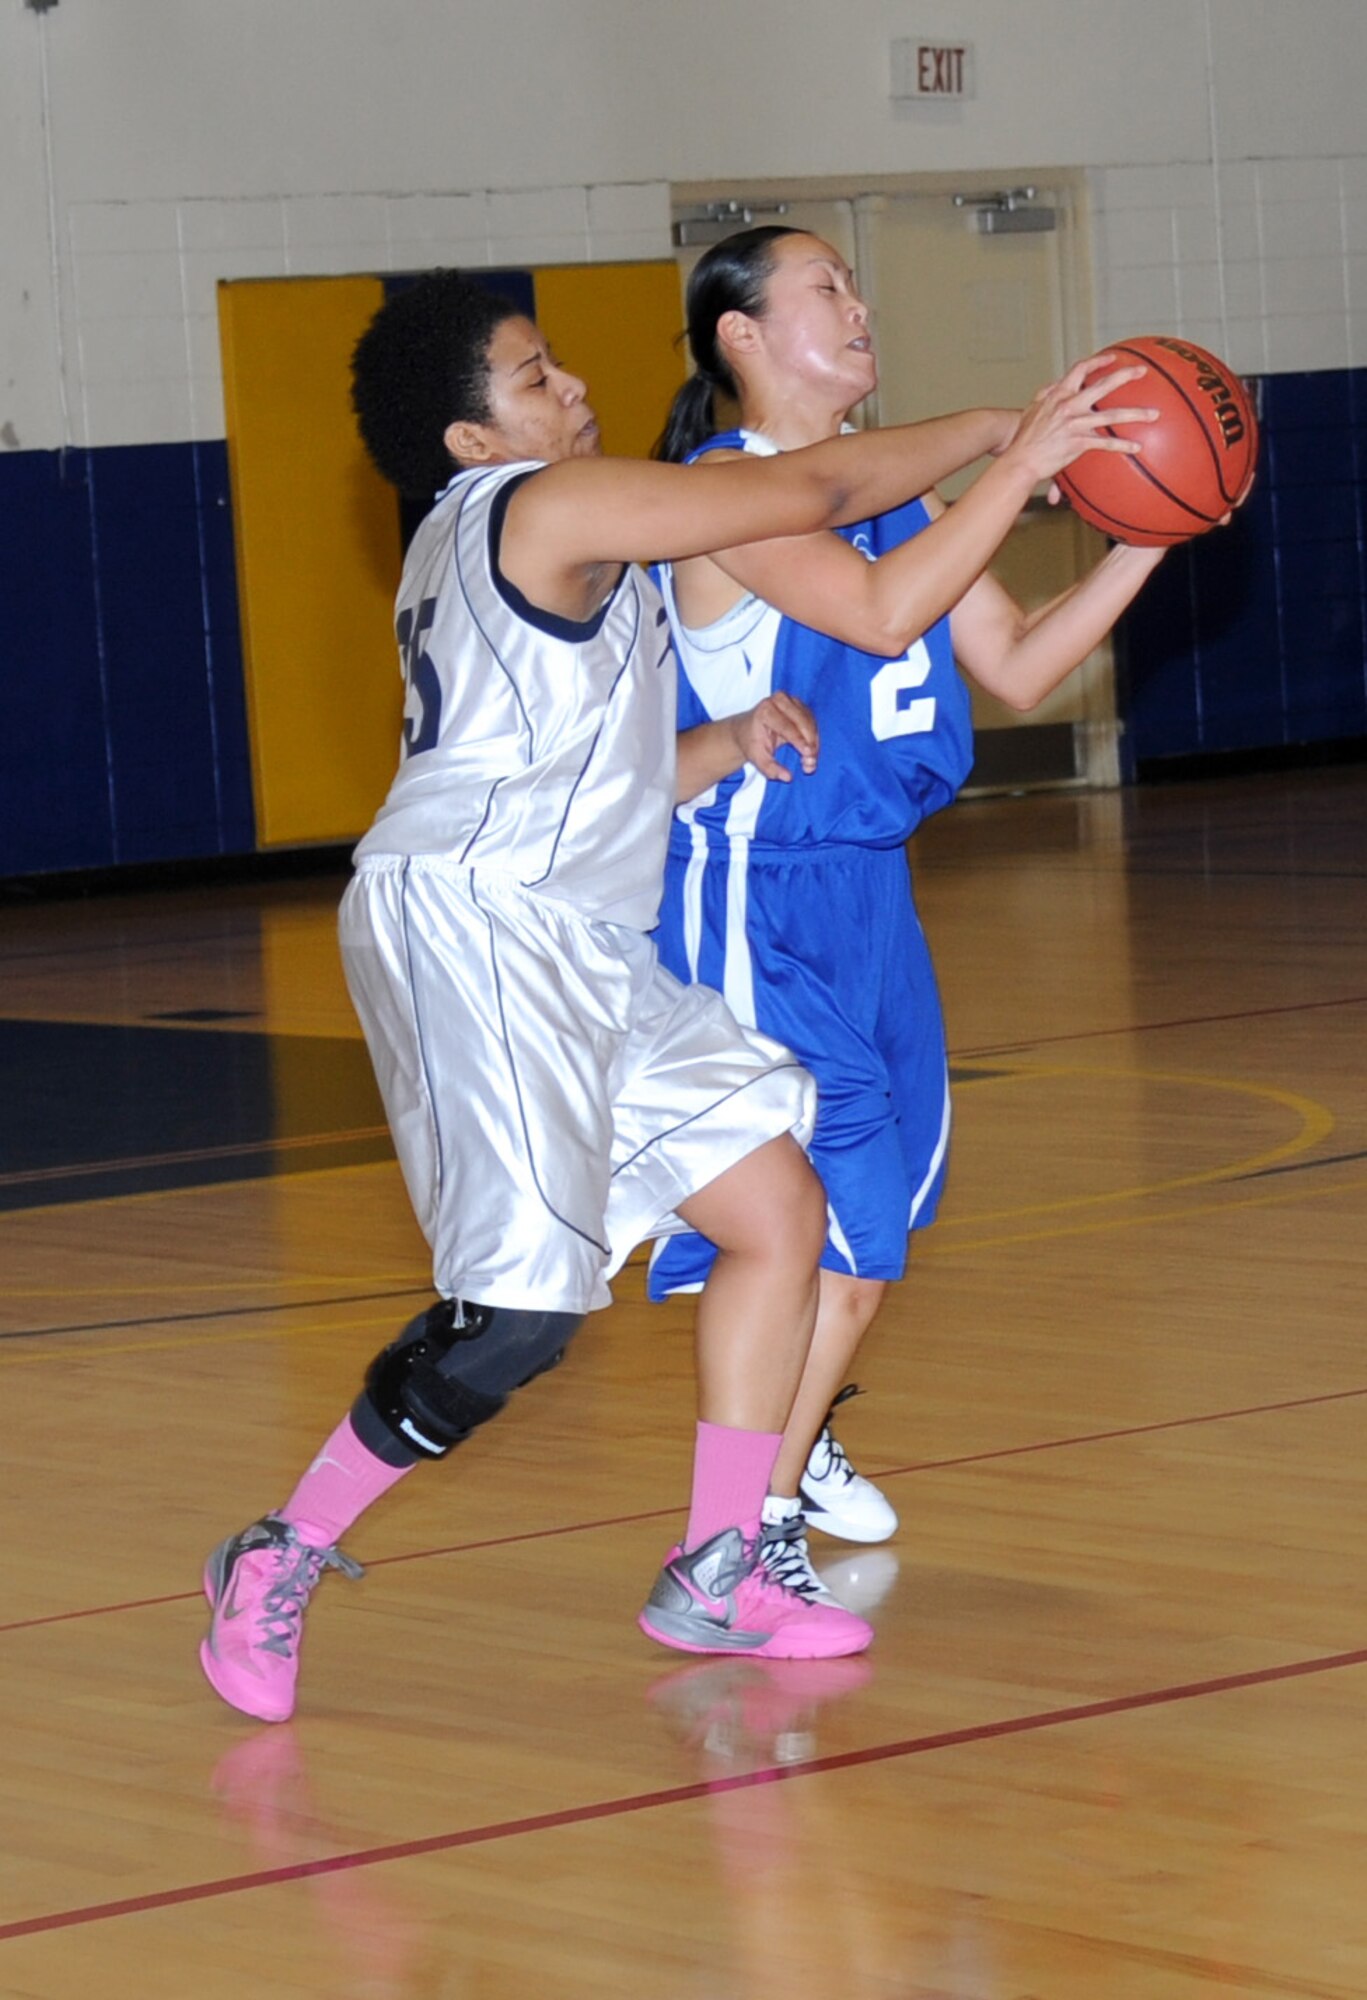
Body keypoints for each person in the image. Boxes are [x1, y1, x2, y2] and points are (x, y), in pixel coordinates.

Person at [196, 269, 1119, 1723]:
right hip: (480, 927)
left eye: (559, 364)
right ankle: (281, 1547)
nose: (569, 389)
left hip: (582, 932)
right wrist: (1013, 439)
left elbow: (593, 777)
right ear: (471, 440)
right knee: (516, 1320)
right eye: (532, 378)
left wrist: (726, 740)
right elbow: (807, 488)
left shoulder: (566, 551)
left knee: (778, 1214)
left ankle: (715, 1566)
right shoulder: (539, 510)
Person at [650, 225, 1172, 1600]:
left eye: (857, 283)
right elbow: (881, 620)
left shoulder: (897, 501)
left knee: (876, 1247)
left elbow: (1013, 664)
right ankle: (743, 1534)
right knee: (828, 1233)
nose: (862, 304)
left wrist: (1150, 539)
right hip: (748, 899)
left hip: (874, 895)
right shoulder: (723, 494)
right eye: (826, 286)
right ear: (742, 337)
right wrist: (1014, 459)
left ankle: (790, 1435)